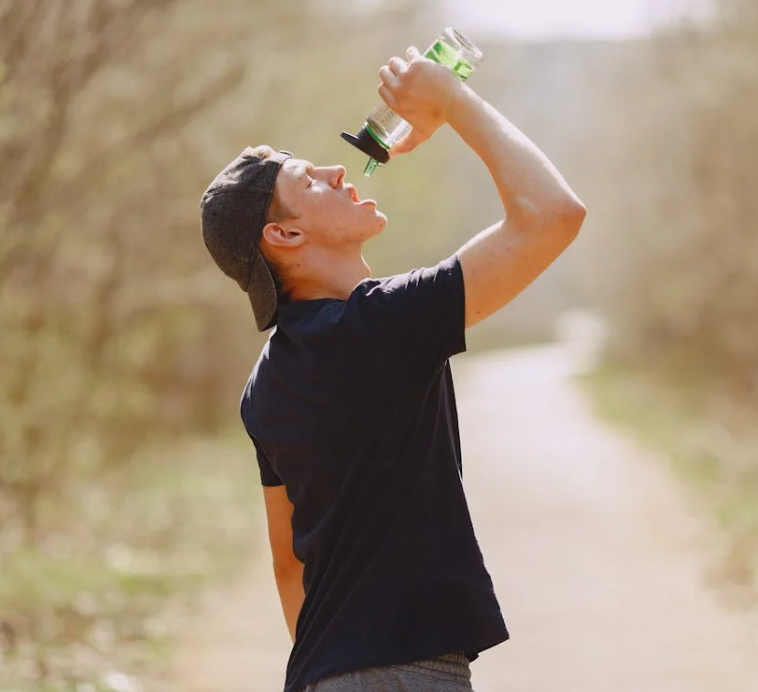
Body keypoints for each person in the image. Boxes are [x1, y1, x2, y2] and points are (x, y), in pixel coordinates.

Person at [200, 45, 585, 692]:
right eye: (307, 180)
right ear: (286, 238)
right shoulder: (382, 328)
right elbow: (554, 214)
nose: (334, 169)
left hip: (324, 673)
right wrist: (454, 103)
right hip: (406, 674)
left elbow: (290, 566)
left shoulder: (263, 385)